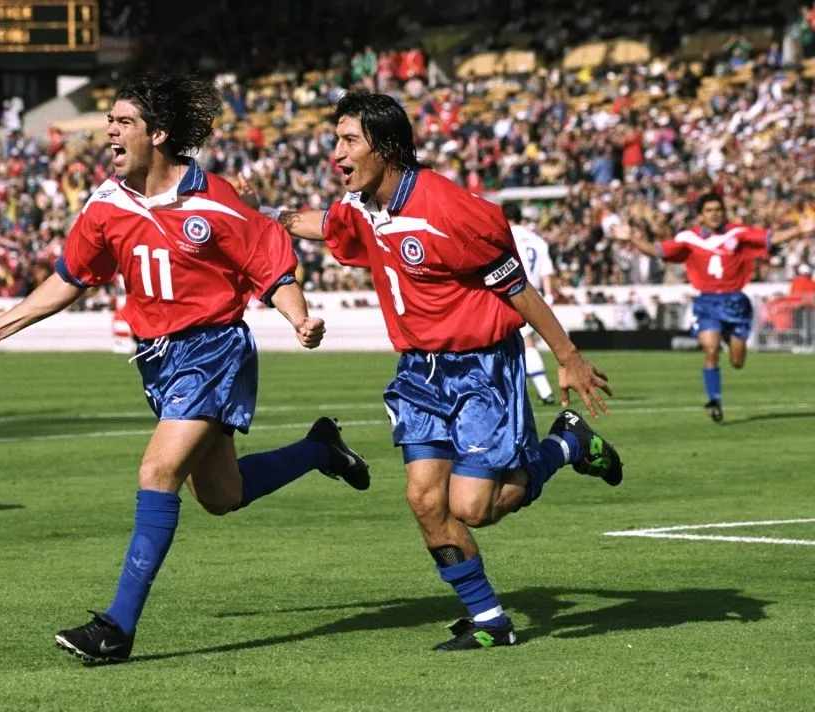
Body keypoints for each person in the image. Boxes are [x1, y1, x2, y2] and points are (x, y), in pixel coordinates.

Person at [0, 72, 371, 665]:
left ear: (160, 134)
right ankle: (322, 449)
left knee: (156, 471)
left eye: (123, 122)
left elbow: (271, 265)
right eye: (111, 121)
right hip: (158, 362)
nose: (110, 131)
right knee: (223, 496)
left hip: (212, 352)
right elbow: (70, 279)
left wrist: (298, 318)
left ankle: (116, 629)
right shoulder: (105, 203)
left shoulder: (215, 200)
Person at [247, 92, 622, 651]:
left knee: (475, 508)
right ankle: (491, 620)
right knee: (425, 500)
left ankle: (567, 444)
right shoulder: (361, 205)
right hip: (419, 373)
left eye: (349, 141)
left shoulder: (451, 210)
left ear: (388, 146)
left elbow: (516, 288)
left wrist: (567, 356)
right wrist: (265, 217)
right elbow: (325, 223)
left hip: (482, 370)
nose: (337, 154)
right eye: (335, 141)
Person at [619, 193, 814, 422]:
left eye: (718, 209)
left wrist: (798, 230)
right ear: (701, 216)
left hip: (735, 303)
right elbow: (658, 251)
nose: (714, 214)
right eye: (709, 210)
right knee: (710, 349)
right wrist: (631, 237)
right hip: (707, 303)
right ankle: (714, 400)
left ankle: (728, 338)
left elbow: (771, 238)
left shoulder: (737, 233)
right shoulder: (689, 238)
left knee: (737, 361)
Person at [502, 202, 557, 405]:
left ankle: (544, 391)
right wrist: (549, 298)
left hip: (515, 295)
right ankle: (522, 390)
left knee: (524, 343)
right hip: (537, 297)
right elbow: (547, 273)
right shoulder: (538, 241)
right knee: (521, 344)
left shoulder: (506, 237)